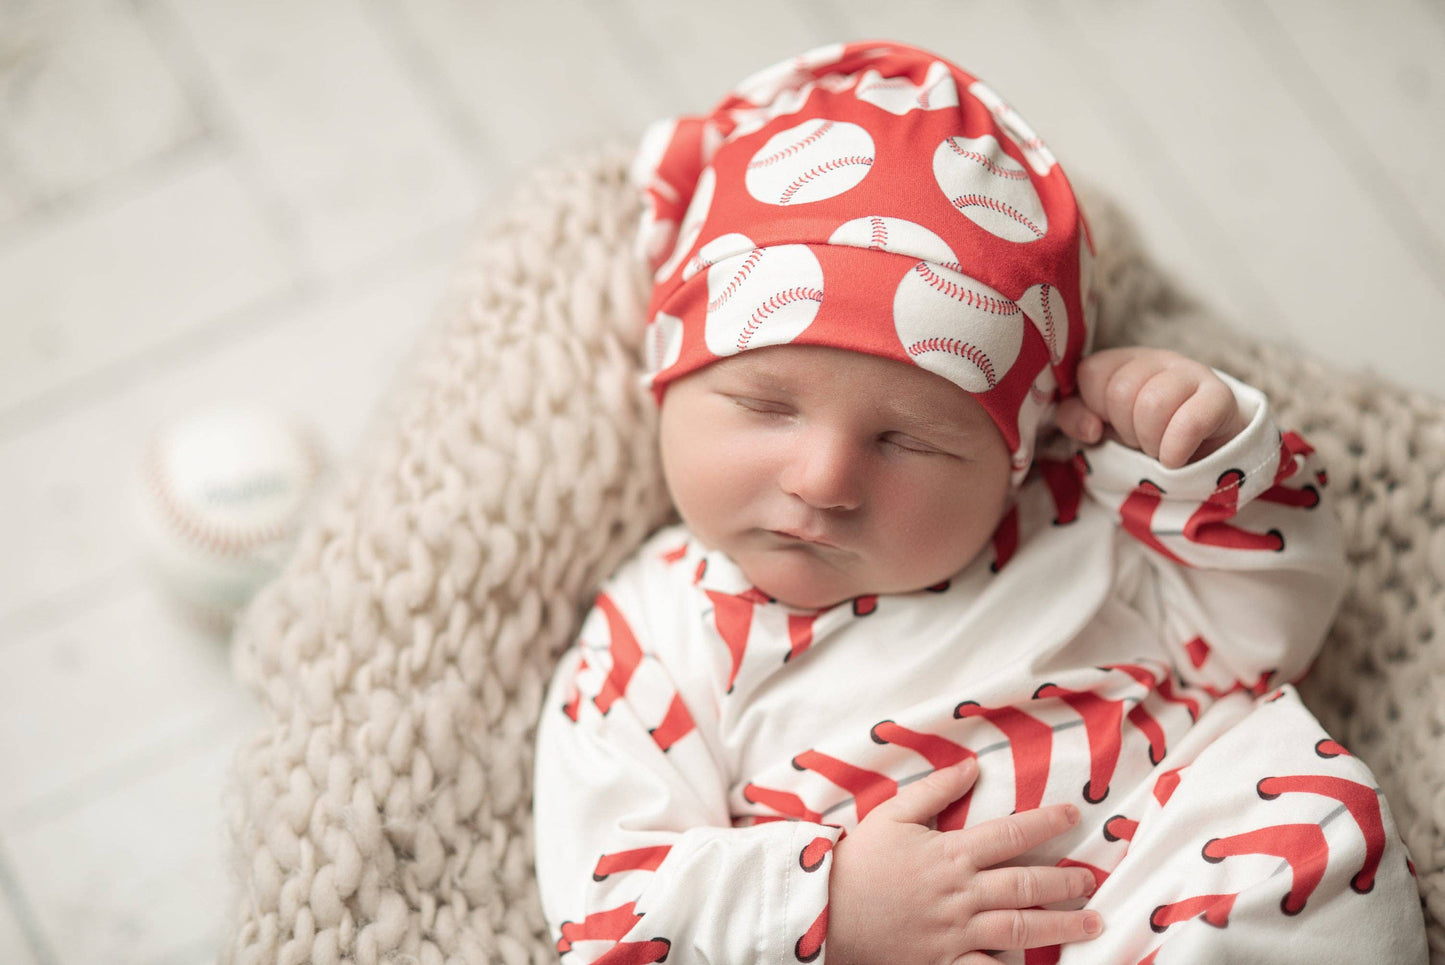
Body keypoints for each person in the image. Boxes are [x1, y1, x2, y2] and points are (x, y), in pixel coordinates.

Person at [531, 40, 1429, 964]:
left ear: (1012, 455)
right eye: (764, 406)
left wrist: (1203, 458)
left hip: (1167, 889)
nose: (824, 480)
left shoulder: (1078, 509)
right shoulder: (653, 638)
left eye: (907, 440)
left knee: (1309, 816)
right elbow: (611, 900)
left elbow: (1270, 633)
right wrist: (833, 908)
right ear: (665, 385)